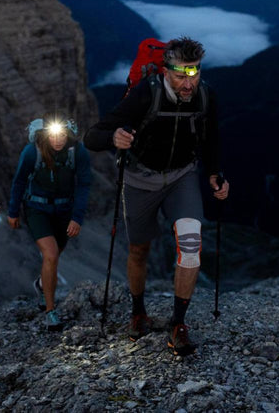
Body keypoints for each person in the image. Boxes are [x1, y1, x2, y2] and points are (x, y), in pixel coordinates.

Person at [84, 36, 229, 356]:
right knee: (139, 250)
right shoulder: (144, 94)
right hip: (139, 181)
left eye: (194, 73)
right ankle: (138, 313)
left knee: (191, 244)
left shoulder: (206, 95)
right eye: (180, 75)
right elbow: (91, 138)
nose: (189, 83)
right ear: (165, 72)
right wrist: (114, 137)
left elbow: (212, 138)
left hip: (182, 177)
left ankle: (178, 324)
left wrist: (215, 174)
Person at [7, 113, 92, 331]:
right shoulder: (31, 152)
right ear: (45, 134)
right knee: (51, 254)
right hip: (37, 208)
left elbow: (84, 185)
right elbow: (18, 182)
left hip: (64, 211)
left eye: (62, 135)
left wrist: (76, 217)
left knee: (54, 257)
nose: (58, 140)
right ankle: (50, 311)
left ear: (68, 134)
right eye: (53, 135)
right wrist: (13, 212)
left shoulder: (77, 152)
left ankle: (42, 285)